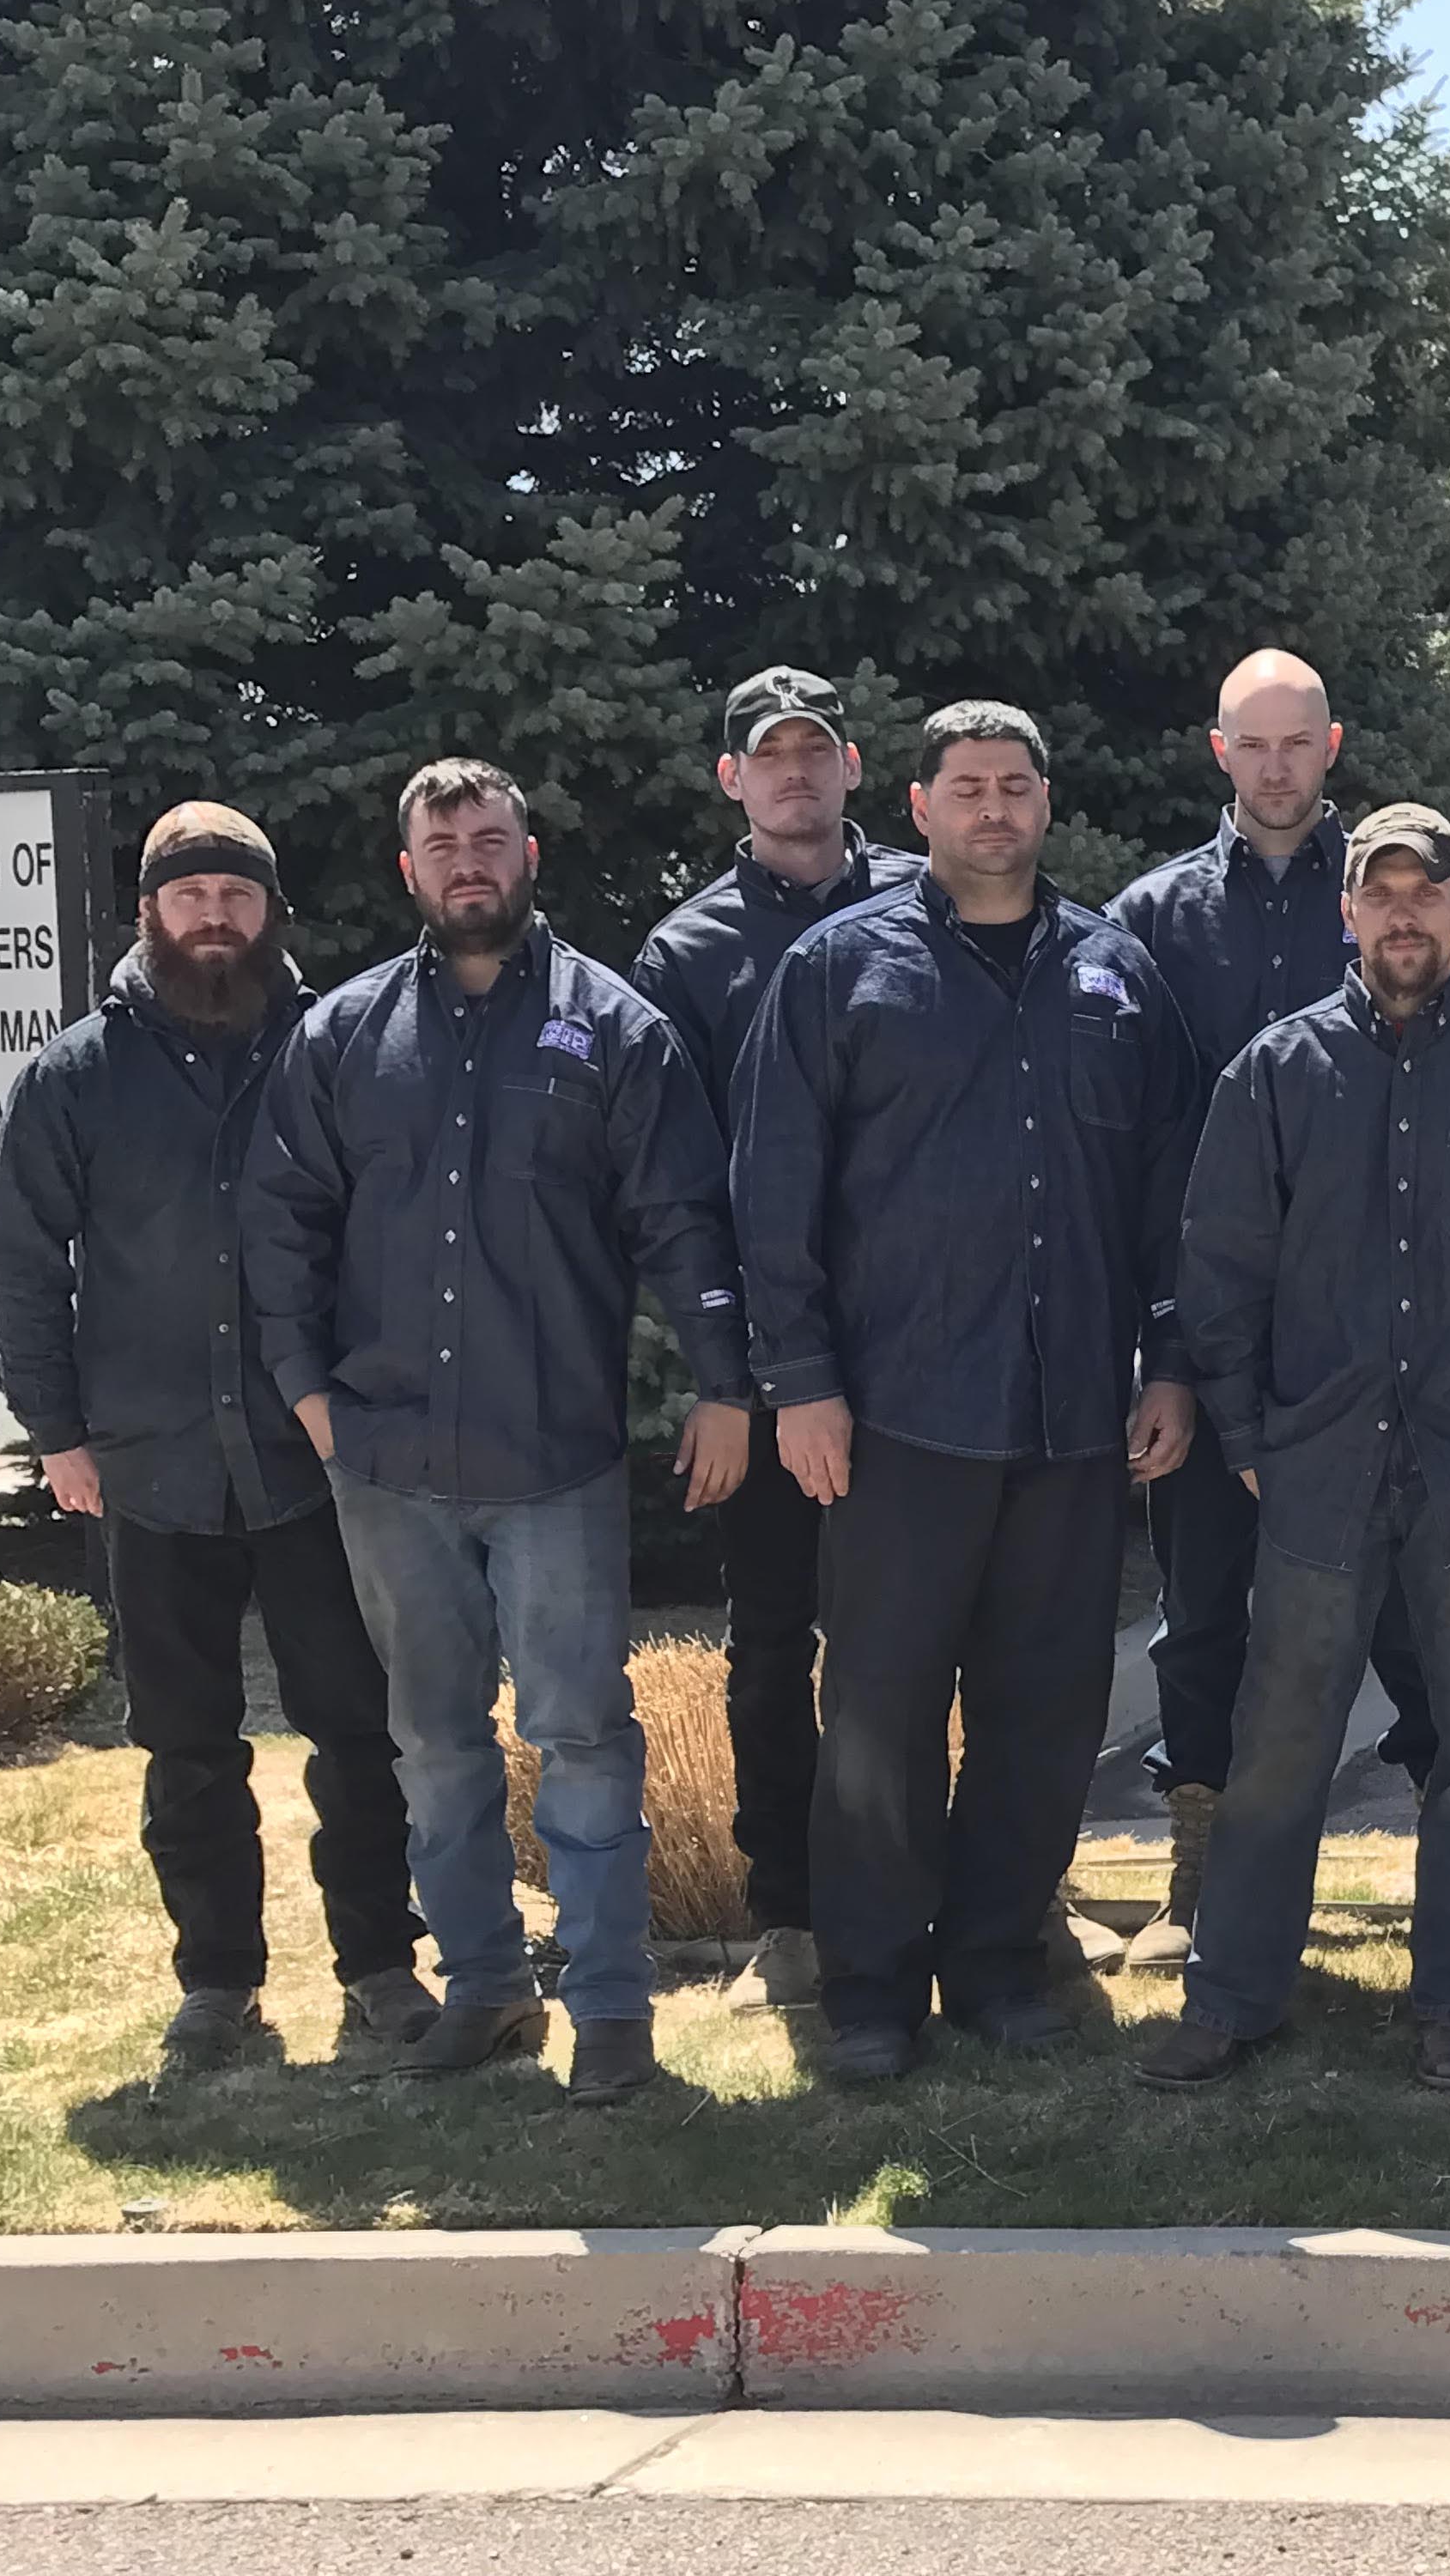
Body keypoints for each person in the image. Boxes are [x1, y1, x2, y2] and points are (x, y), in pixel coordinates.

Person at [245, 760, 755, 2107]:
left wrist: (723, 1383)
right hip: (388, 1465)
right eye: (442, 843)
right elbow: (281, 1222)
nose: (469, 859)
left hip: (554, 1462)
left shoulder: (616, 1030)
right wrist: (308, 1393)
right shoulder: (346, 1034)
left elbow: (683, 1223)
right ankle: (483, 1988)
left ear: (529, 853)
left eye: (490, 837)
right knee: (434, 1742)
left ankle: (612, 2011)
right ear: (407, 870)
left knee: (583, 1735)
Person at [734, 700, 1203, 2081]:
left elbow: (1172, 1197)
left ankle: (997, 1961)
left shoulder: (1115, 975)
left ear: (1046, 806)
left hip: (1073, 1420)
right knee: (877, 1709)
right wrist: (800, 1383)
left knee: (1044, 1705)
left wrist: (1169, 1361)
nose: (993, 809)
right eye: (967, 788)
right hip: (895, 1416)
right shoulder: (838, 971)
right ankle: (871, 1985)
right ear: (923, 806)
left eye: (1016, 786)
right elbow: (774, 1193)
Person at [1134, 805, 1450, 2093]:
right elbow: (1220, 1268)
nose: (1403, 913)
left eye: (1428, 891)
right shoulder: (1279, 1072)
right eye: (1379, 891)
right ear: (1347, 912)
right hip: (1316, 1467)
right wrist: (1245, 1434)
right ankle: (1235, 1995)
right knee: (1280, 1738)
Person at [0, 805, 429, 2072]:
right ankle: (219, 1987)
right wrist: (58, 1432)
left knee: (357, 1729)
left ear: (269, 909)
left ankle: (381, 1968)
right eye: (192, 899)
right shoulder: (78, 1074)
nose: (216, 920)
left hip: (315, 1462)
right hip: (149, 1459)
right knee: (183, 1742)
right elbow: (22, 1261)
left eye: (237, 896)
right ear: (151, 914)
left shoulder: (337, 1045)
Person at [1101, 650, 1450, 1968]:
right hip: (1216, 1346)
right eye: (1252, 744)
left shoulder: (1388, 893)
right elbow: (1141, 1153)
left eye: (1297, 743)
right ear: (1220, 753)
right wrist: (1167, 1349)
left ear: (1332, 747)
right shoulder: (1150, 923)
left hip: (1392, 1351)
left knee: (1420, 1624)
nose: (1275, 767)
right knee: (1204, 1610)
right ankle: (1198, 1876)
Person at [629, 666, 916, 2014]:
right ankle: (789, 1916)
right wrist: (729, 1379)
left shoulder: (930, 900)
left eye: (817, 751)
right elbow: (678, 1185)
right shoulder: (686, 956)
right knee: (772, 1647)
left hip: (926, 1355)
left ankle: (939, 1893)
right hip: (769, 1368)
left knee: (929, 1635)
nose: (795, 773)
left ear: (853, 767)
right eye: (768, 755)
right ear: (732, 780)